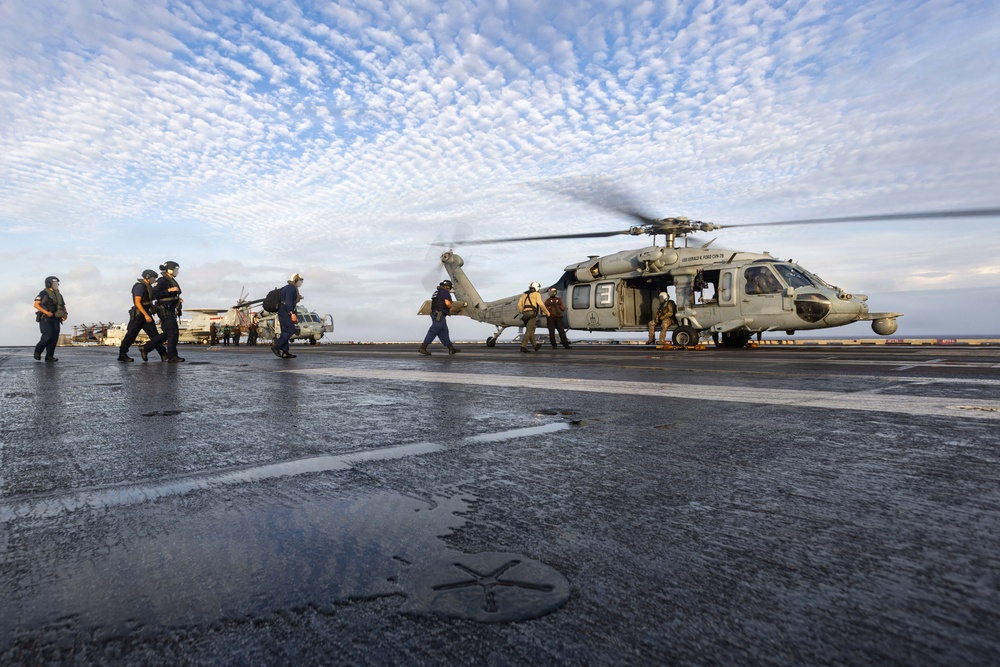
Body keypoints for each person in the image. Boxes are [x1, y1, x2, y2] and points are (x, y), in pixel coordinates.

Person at [118, 269, 168, 362]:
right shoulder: (140, 287)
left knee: (154, 335)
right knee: (131, 335)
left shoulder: (148, 287)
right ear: (148, 277)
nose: (154, 280)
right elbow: (137, 302)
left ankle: (163, 353)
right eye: (153, 278)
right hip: (139, 315)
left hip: (145, 313)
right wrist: (146, 315)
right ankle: (122, 354)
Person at [140, 261, 184, 363]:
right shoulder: (162, 280)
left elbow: (169, 296)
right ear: (169, 270)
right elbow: (155, 294)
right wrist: (169, 290)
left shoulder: (170, 280)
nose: (177, 271)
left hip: (169, 309)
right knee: (172, 333)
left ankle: (146, 347)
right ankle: (172, 356)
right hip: (164, 310)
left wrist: (177, 299)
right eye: (175, 269)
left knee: (169, 333)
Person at [419, 279, 460, 356]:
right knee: (433, 331)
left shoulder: (436, 292)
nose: (449, 289)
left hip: (436, 314)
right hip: (439, 315)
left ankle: (451, 349)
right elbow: (447, 303)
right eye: (449, 288)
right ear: (446, 286)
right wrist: (450, 308)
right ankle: (423, 347)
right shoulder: (444, 292)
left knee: (444, 332)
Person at [33, 276, 67, 361]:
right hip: (45, 318)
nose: (57, 285)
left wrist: (65, 313)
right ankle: (38, 351)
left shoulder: (59, 295)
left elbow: (62, 305)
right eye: (55, 283)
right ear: (49, 284)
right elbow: (36, 304)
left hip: (56, 318)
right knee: (48, 336)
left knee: (54, 337)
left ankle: (49, 356)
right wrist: (46, 312)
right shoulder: (43, 293)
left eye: (57, 283)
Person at [272, 273, 303, 359]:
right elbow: (288, 301)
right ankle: (276, 346)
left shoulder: (286, 287)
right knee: (291, 330)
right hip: (285, 311)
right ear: (296, 280)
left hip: (282, 310)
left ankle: (285, 352)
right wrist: (292, 313)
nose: (301, 282)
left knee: (285, 331)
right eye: (300, 280)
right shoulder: (291, 288)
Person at [517, 281, 550, 353]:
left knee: (530, 330)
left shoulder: (524, 294)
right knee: (529, 331)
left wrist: (522, 312)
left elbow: (519, 305)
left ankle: (535, 346)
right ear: (536, 287)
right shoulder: (536, 294)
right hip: (532, 313)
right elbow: (541, 304)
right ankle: (523, 346)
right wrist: (547, 312)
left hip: (524, 314)